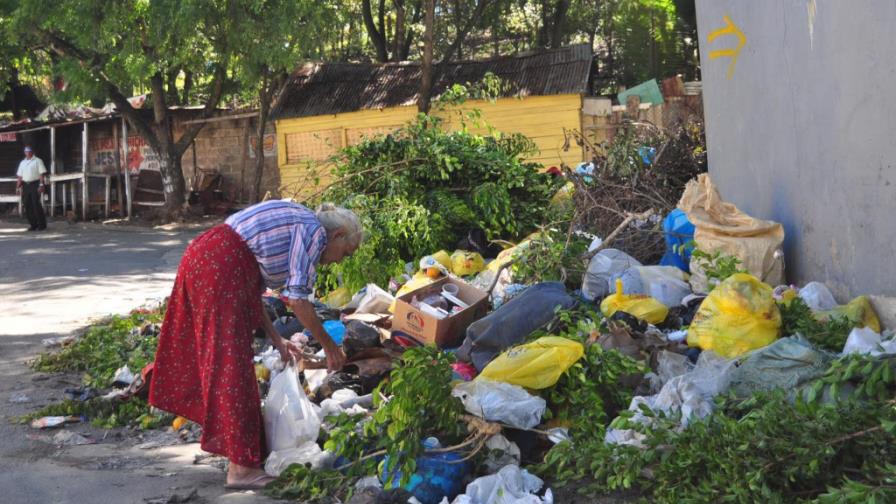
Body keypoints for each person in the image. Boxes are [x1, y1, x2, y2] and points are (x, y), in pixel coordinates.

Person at [148, 200, 362, 490]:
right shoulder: (314, 232)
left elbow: (255, 290)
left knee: (227, 362)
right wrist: (331, 347)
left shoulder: (300, 223)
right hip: (220, 264)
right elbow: (297, 301)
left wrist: (278, 339)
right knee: (231, 368)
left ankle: (242, 459)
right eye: (345, 254)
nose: (339, 261)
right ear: (337, 235)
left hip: (208, 256)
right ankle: (241, 469)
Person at [15, 145, 47, 231]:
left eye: (29, 151)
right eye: (26, 151)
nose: (28, 153)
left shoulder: (38, 161)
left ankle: (42, 225)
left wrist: (41, 185)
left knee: (35, 204)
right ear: (24, 152)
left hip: (35, 184)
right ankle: (33, 224)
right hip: (25, 185)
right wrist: (18, 187)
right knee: (26, 204)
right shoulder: (22, 162)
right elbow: (20, 176)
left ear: (32, 152)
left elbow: (41, 174)